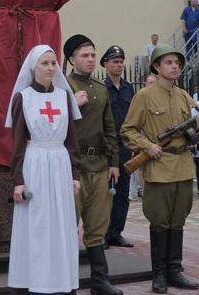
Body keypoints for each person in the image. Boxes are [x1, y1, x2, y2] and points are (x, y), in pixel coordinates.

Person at [121, 44, 199, 293]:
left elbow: (194, 134)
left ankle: (175, 271)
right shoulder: (144, 96)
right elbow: (128, 130)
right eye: (169, 62)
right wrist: (147, 146)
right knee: (160, 221)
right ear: (157, 67)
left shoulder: (184, 96)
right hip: (158, 166)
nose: (175, 67)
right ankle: (159, 274)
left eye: (177, 63)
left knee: (178, 220)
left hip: (182, 165)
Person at [7, 44, 82, 294]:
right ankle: (35, 281)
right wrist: (18, 179)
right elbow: (17, 143)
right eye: (45, 63)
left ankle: (61, 281)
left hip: (60, 164)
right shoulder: (23, 97)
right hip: (35, 163)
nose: (50, 68)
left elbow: (72, 140)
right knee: (37, 225)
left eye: (53, 63)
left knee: (61, 223)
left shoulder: (63, 96)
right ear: (33, 67)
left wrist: (75, 174)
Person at [63, 34, 122, 295]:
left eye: (92, 55)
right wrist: (71, 106)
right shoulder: (62, 88)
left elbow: (110, 127)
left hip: (99, 164)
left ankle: (100, 281)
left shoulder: (100, 88)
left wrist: (114, 162)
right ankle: (68, 282)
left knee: (97, 227)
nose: (90, 59)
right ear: (71, 59)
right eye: (84, 55)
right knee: (68, 226)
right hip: (72, 166)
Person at [101, 45, 135, 249]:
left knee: (122, 192)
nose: (119, 65)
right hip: (107, 146)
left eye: (121, 61)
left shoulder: (128, 87)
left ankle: (116, 232)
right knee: (106, 192)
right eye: (115, 62)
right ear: (106, 64)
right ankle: (103, 234)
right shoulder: (101, 87)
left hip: (125, 146)